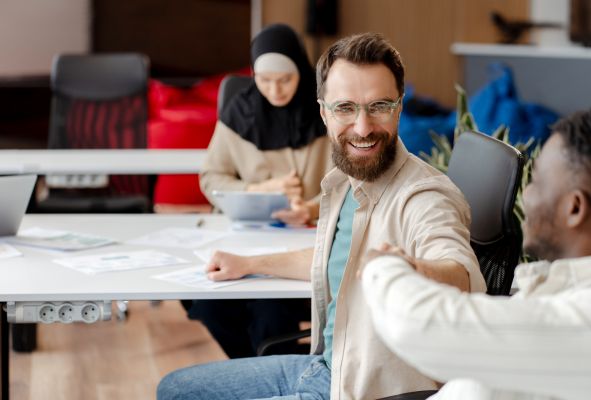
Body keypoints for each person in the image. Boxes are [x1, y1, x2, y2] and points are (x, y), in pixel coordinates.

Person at [158, 32, 486, 400]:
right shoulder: (346, 179)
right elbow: (331, 259)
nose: (362, 127)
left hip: (363, 389)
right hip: (326, 367)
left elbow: (459, 273)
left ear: (399, 108)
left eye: (379, 106)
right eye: (345, 108)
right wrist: (249, 264)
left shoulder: (423, 196)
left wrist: (411, 269)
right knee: (174, 388)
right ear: (323, 112)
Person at [361, 109, 591, 400]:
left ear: (575, 208)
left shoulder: (588, 321)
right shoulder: (564, 290)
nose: (526, 195)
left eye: (536, 182)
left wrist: (384, 267)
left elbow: (420, 327)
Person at [185, 24, 331, 359]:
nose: (275, 90)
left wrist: (310, 209)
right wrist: (258, 188)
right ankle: (252, 370)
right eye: (264, 80)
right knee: (210, 305)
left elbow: (349, 183)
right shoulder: (239, 113)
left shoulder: (326, 111)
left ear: (302, 72)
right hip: (244, 239)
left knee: (271, 311)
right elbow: (211, 177)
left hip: (305, 241)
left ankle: (269, 372)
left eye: (285, 80)